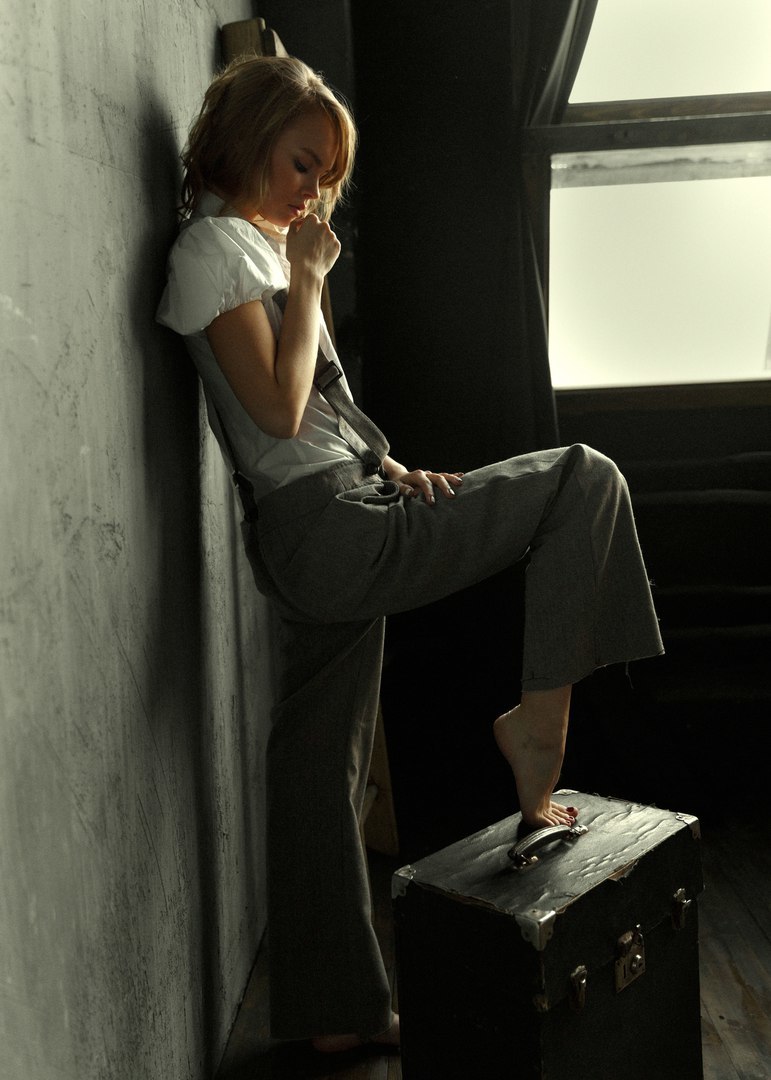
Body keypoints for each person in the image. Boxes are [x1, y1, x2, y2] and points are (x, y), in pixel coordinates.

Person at [157, 54, 663, 1055]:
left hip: (333, 516)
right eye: (301, 163)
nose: (312, 192)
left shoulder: (251, 246)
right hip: (326, 530)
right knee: (584, 476)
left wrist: (392, 465)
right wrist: (310, 277)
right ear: (248, 138)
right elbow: (276, 411)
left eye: (324, 176)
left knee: (318, 769)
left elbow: (318, 416)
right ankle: (538, 723)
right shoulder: (213, 250)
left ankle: (334, 1015)